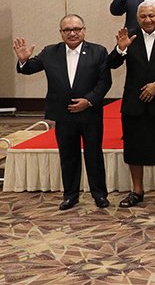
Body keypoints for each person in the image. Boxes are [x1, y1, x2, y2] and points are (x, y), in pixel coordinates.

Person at [13, 14, 112, 210]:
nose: (72, 33)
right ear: (61, 33)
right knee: (68, 156)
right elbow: (29, 68)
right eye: (67, 30)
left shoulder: (98, 51)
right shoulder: (50, 52)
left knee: (94, 155)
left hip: (90, 114)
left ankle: (99, 194)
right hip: (64, 115)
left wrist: (88, 101)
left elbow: (105, 82)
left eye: (77, 29)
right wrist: (24, 60)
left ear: (84, 30)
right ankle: (70, 196)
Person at [108, 2, 155, 209]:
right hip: (135, 102)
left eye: (151, 15)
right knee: (134, 148)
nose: (148, 20)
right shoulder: (129, 36)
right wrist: (120, 49)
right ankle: (137, 190)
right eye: (143, 16)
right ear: (137, 18)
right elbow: (111, 63)